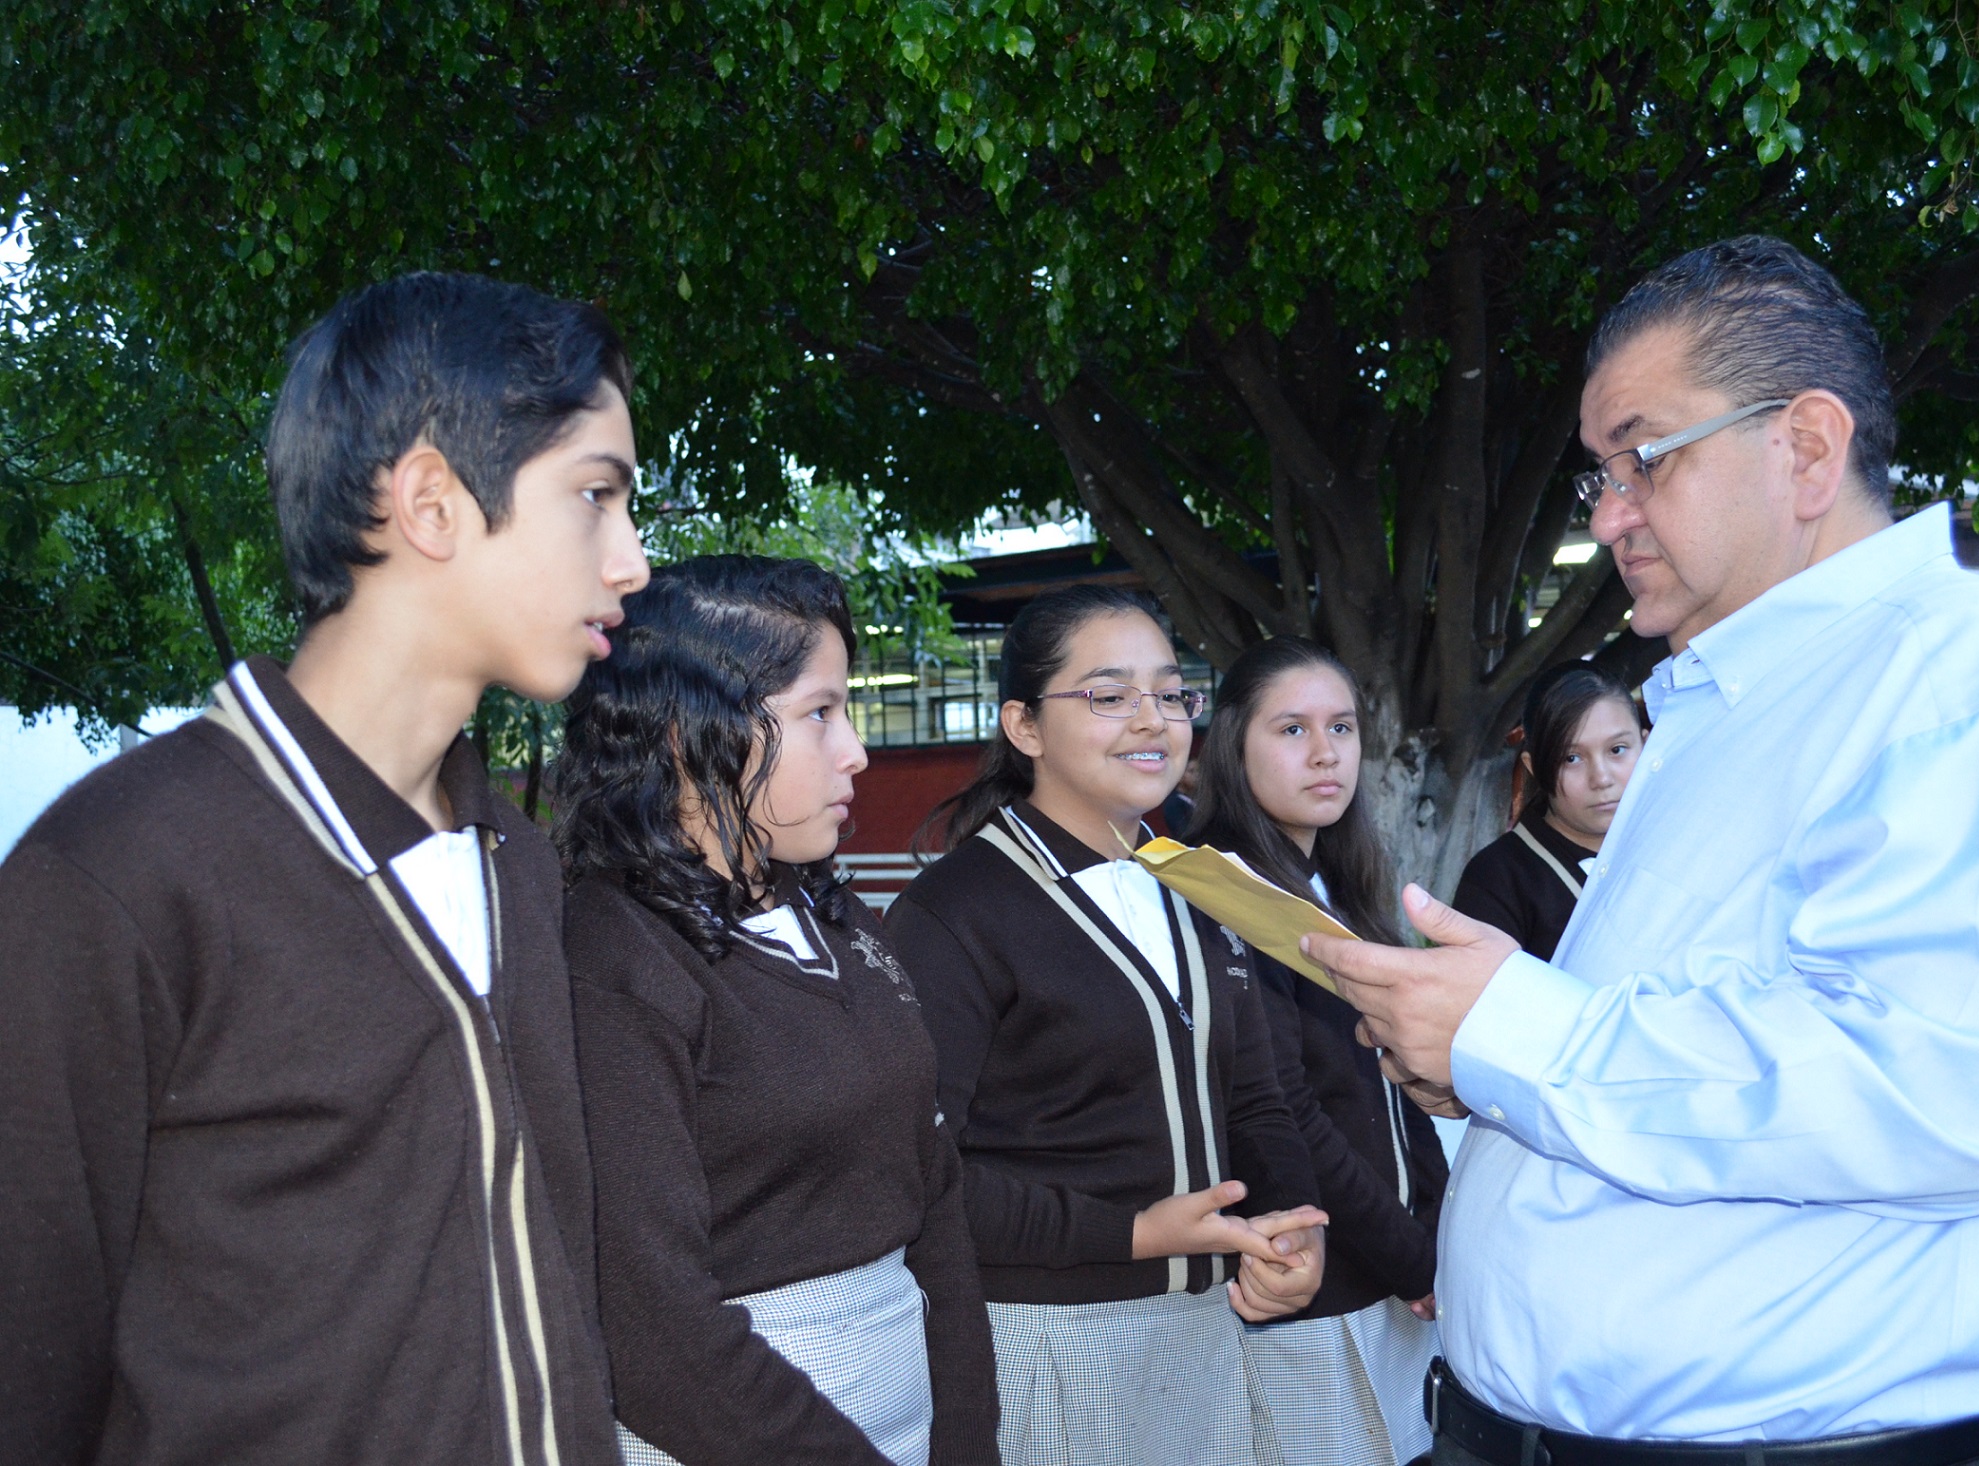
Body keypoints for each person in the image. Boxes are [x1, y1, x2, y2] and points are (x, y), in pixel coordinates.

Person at [1307, 235, 1979, 1464]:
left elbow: (1944, 1082)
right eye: (1599, 473)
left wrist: (1521, 1031)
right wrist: (1491, 1062)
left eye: (1645, 456)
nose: (1611, 513)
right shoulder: (1731, 705)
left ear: (1804, 447)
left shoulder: (1971, 678)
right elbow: (1724, 1028)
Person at [0, 274, 651, 1466]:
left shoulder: (518, 859)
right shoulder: (116, 877)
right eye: (596, 497)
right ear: (430, 503)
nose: (633, 562)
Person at [554, 556, 998, 1466]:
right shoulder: (613, 957)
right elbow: (654, 1327)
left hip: (908, 1410)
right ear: (690, 732)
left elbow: (936, 1195)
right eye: (819, 714)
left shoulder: (832, 914)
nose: (856, 751)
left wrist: (965, 1438)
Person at [885, 585, 1329, 1466]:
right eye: (1109, 695)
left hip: (1205, 1331)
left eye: (1170, 694)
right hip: (1049, 1335)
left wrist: (1293, 1225)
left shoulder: (1203, 886)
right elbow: (921, 1174)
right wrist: (1130, 1235)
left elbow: (1256, 1099)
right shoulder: (954, 913)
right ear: (1023, 726)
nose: (1152, 721)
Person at [1185, 636, 1450, 1466]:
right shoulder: (1224, 891)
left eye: (1341, 728)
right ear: (1234, 745)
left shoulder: (1341, 881)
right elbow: (1289, 1106)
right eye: (1291, 730)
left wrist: (1438, 1233)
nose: (1325, 753)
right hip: (1316, 1283)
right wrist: (1416, 1258)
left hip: (1395, 1277)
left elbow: (1393, 1087)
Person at [1449, 661, 1644, 960]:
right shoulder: (1497, 879)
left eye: (1617, 750)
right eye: (1572, 758)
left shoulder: (1677, 846)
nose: (1602, 778)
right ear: (1533, 768)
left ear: (1646, 746)